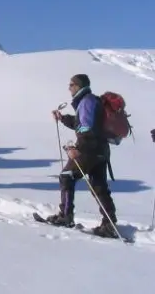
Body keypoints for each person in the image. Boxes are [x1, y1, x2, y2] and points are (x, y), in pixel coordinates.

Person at [48, 74, 118, 238]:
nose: (69, 88)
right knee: (99, 186)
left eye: (71, 85)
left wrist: (77, 148)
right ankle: (109, 223)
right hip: (101, 150)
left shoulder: (86, 102)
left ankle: (66, 216)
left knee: (66, 176)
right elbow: (81, 123)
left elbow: (86, 129)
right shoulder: (92, 101)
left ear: (79, 86)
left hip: (89, 149)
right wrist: (63, 118)